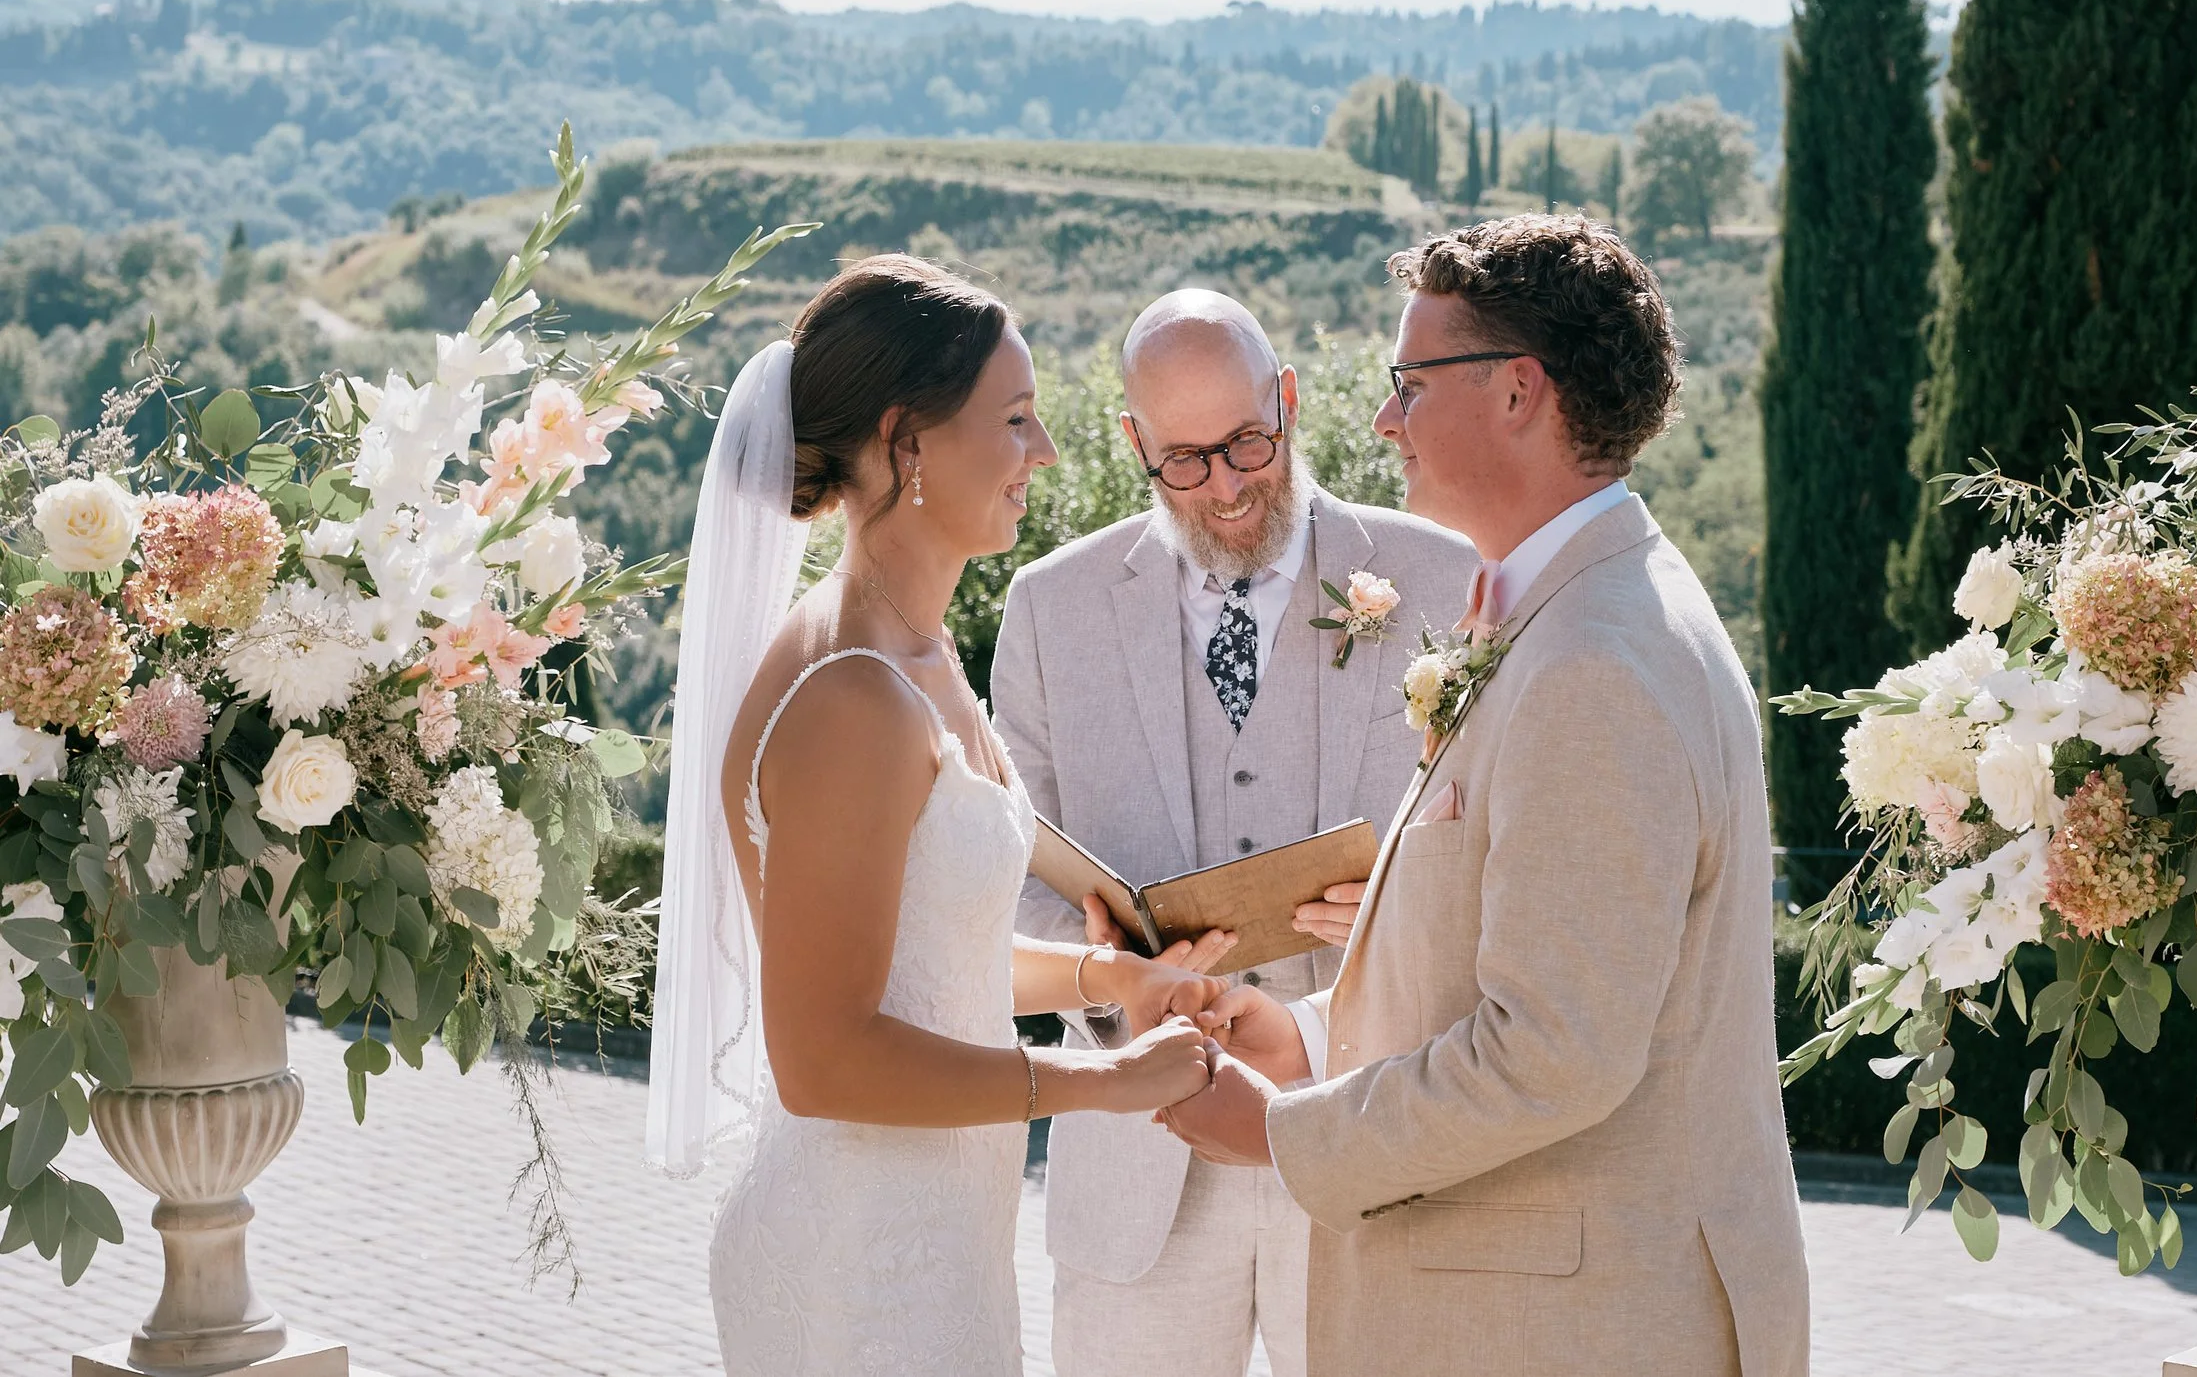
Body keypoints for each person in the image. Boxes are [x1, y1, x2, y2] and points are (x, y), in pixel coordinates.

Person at [1162, 216, 1812, 1376]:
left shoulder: (1595, 664)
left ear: (1519, 391)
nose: (1382, 418)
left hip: (1570, 1328)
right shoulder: (1569, 614)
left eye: (1410, 381)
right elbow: (1514, 964)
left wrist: (1280, 1130)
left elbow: (1554, 1049)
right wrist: (1308, 1037)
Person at [645, 255, 1224, 1376]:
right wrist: (1104, 1085)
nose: (1044, 453)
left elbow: (927, 964)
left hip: (940, 1242)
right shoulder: (850, 696)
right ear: (907, 441)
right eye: (1014, 420)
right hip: (864, 1265)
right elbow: (824, 1057)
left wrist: (1110, 982)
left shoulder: (918, 653)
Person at [992, 289, 1474, 1377]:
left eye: (1247, 442)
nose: (1225, 484)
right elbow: (1008, 869)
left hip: (1366, 1142)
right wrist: (1107, 970)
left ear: (1289, 401)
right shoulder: (1046, 607)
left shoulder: (1442, 575)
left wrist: (1411, 904)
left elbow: (1497, 836)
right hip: (1137, 1161)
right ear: (1133, 444)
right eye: (1184, 460)